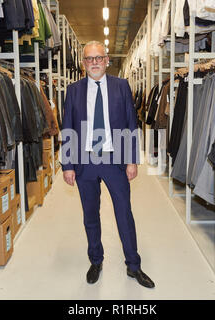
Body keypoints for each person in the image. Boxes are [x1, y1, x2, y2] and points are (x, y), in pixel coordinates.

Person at [61, 41, 154, 288]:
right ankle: (96, 260)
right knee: (90, 215)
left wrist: (132, 160)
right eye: (89, 59)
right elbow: (68, 127)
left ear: (107, 60)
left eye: (98, 58)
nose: (94, 62)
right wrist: (67, 165)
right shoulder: (73, 90)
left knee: (124, 213)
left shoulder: (122, 86)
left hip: (115, 161)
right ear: (83, 63)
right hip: (85, 162)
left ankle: (133, 265)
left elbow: (131, 125)